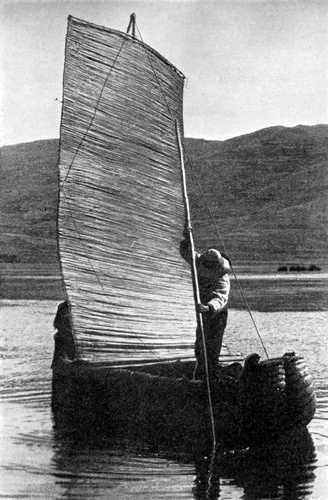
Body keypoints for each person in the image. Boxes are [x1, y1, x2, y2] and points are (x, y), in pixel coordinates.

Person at [180, 235, 231, 381]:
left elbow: (221, 298)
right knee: (200, 343)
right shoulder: (199, 260)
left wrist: (209, 307)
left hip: (217, 313)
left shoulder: (222, 277)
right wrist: (186, 240)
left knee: (213, 345)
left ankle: (211, 376)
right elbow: (187, 253)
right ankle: (201, 374)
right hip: (203, 311)